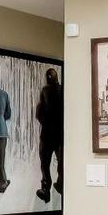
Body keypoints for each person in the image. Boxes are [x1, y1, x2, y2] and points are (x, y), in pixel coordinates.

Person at [36, 68, 63, 204]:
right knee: (61, 162)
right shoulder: (63, 90)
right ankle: (61, 184)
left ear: (47, 78)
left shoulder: (45, 91)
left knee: (45, 163)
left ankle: (46, 190)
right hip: (60, 135)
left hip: (47, 134)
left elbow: (39, 113)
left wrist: (46, 122)